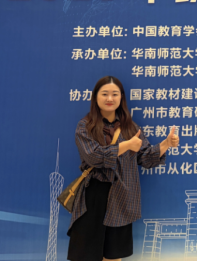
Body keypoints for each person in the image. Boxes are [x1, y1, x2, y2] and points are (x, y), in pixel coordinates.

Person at [68, 76, 179, 261]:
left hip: (122, 197)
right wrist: (126, 145)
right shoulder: (85, 126)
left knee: (114, 255)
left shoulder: (130, 127)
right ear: (95, 97)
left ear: (121, 98)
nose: (109, 98)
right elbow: (93, 156)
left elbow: (146, 157)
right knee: (86, 254)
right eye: (104, 94)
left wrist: (166, 144)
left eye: (115, 94)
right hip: (93, 196)